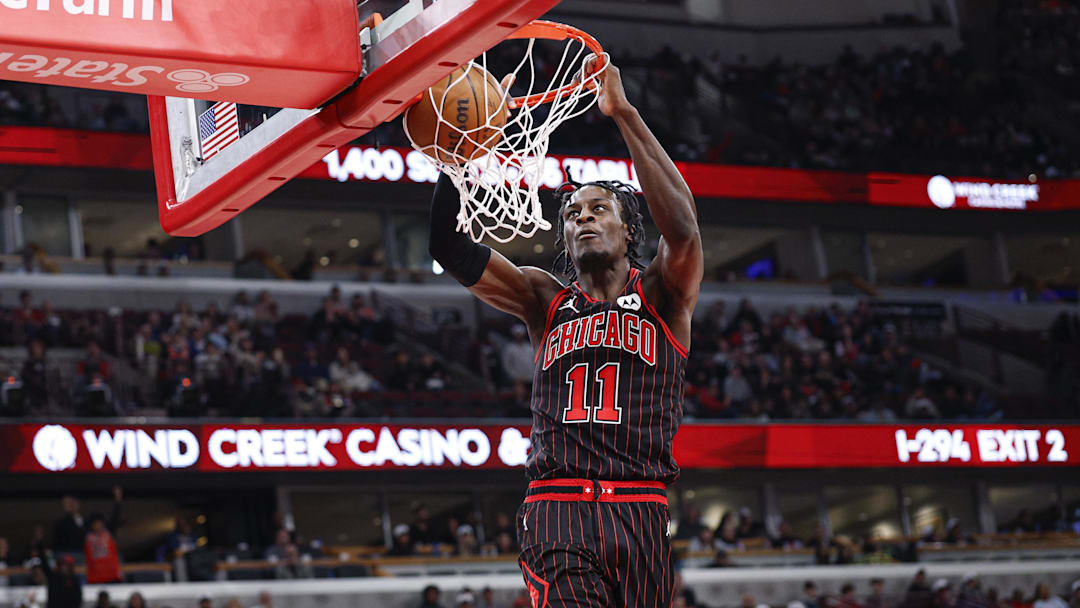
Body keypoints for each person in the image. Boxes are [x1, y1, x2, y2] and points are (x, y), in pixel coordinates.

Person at [428, 56, 702, 608]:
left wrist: (624, 114)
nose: (582, 218)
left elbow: (685, 229)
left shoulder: (663, 297)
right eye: (573, 213)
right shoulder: (544, 299)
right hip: (559, 508)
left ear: (627, 231)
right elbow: (448, 247)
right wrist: (467, 148)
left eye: (598, 209)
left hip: (642, 510)